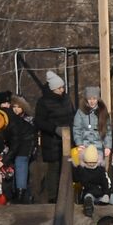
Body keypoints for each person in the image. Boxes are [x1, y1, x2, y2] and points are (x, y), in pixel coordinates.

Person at [34, 71, 75, 203]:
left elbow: (72, 115)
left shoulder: (67, 99)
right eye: (59, 88)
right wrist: (54, 129)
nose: (62, 90)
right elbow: (39, 121)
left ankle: (68, 195)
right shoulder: (43, 102)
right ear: (52, 89)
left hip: (68, 138)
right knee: (54, 168)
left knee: (69, 167)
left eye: (62, 87)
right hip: (52, 141)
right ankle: (53, 197)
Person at [7, 95, 37, 203]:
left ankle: (22, 195)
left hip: (25, 150)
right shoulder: (8, 119)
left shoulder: (29, 120)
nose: (16, 109)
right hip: (11, 149)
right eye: (14, 106)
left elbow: (33, 137)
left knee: (22, 167)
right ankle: (15, 194)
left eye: (19, 107)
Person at [72, 87, 111, 165]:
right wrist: (79, 143)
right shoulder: (80, 112)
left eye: (94, 98)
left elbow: (108, 130)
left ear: (98, 99)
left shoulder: (103, 111)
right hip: (85, 146)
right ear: (86, 99)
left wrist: (107, 146)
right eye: (89, 98)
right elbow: (77, 129)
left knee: (99, 169)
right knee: (85, 170)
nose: (92, 101)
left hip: (99, 147)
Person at [74, 145, 112, 218]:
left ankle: (100, 201)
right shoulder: (82, 169)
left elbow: (105, 182)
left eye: (93, 162)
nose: (91, 164)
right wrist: (76, 169)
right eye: (89, 162)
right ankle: (89, 207)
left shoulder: (100, 169)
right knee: (88, 196)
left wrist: (106, 193)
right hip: (89, 191)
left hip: (100, 192)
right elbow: (82, 181)